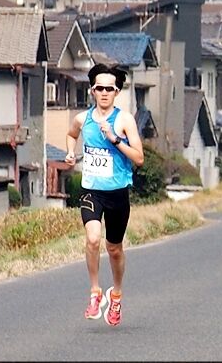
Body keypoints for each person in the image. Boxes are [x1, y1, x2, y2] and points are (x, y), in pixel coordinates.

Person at [65, 63, 144, 327]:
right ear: (92, 91)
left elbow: (139, 158)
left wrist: (115, 139)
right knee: (92, 239)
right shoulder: (82, 119)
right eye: (99, 88)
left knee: (114, 249)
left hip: (117, 193)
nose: (104, 93)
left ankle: (116, 294)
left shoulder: (124, 120)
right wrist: (70, 152)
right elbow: (71, 134)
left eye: (109, 89)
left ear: (117, 92)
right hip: (91, 190)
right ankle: (95, 292)